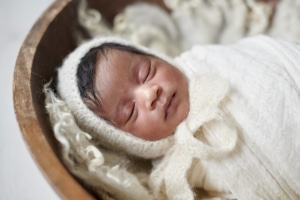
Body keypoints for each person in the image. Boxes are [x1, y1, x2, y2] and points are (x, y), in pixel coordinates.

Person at [45, 35, 300, 200]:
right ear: (126, 140)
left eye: (146, 72)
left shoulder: (205, 59)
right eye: (130, 111)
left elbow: (267, 56)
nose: (150, 93)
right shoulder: (176, 172)